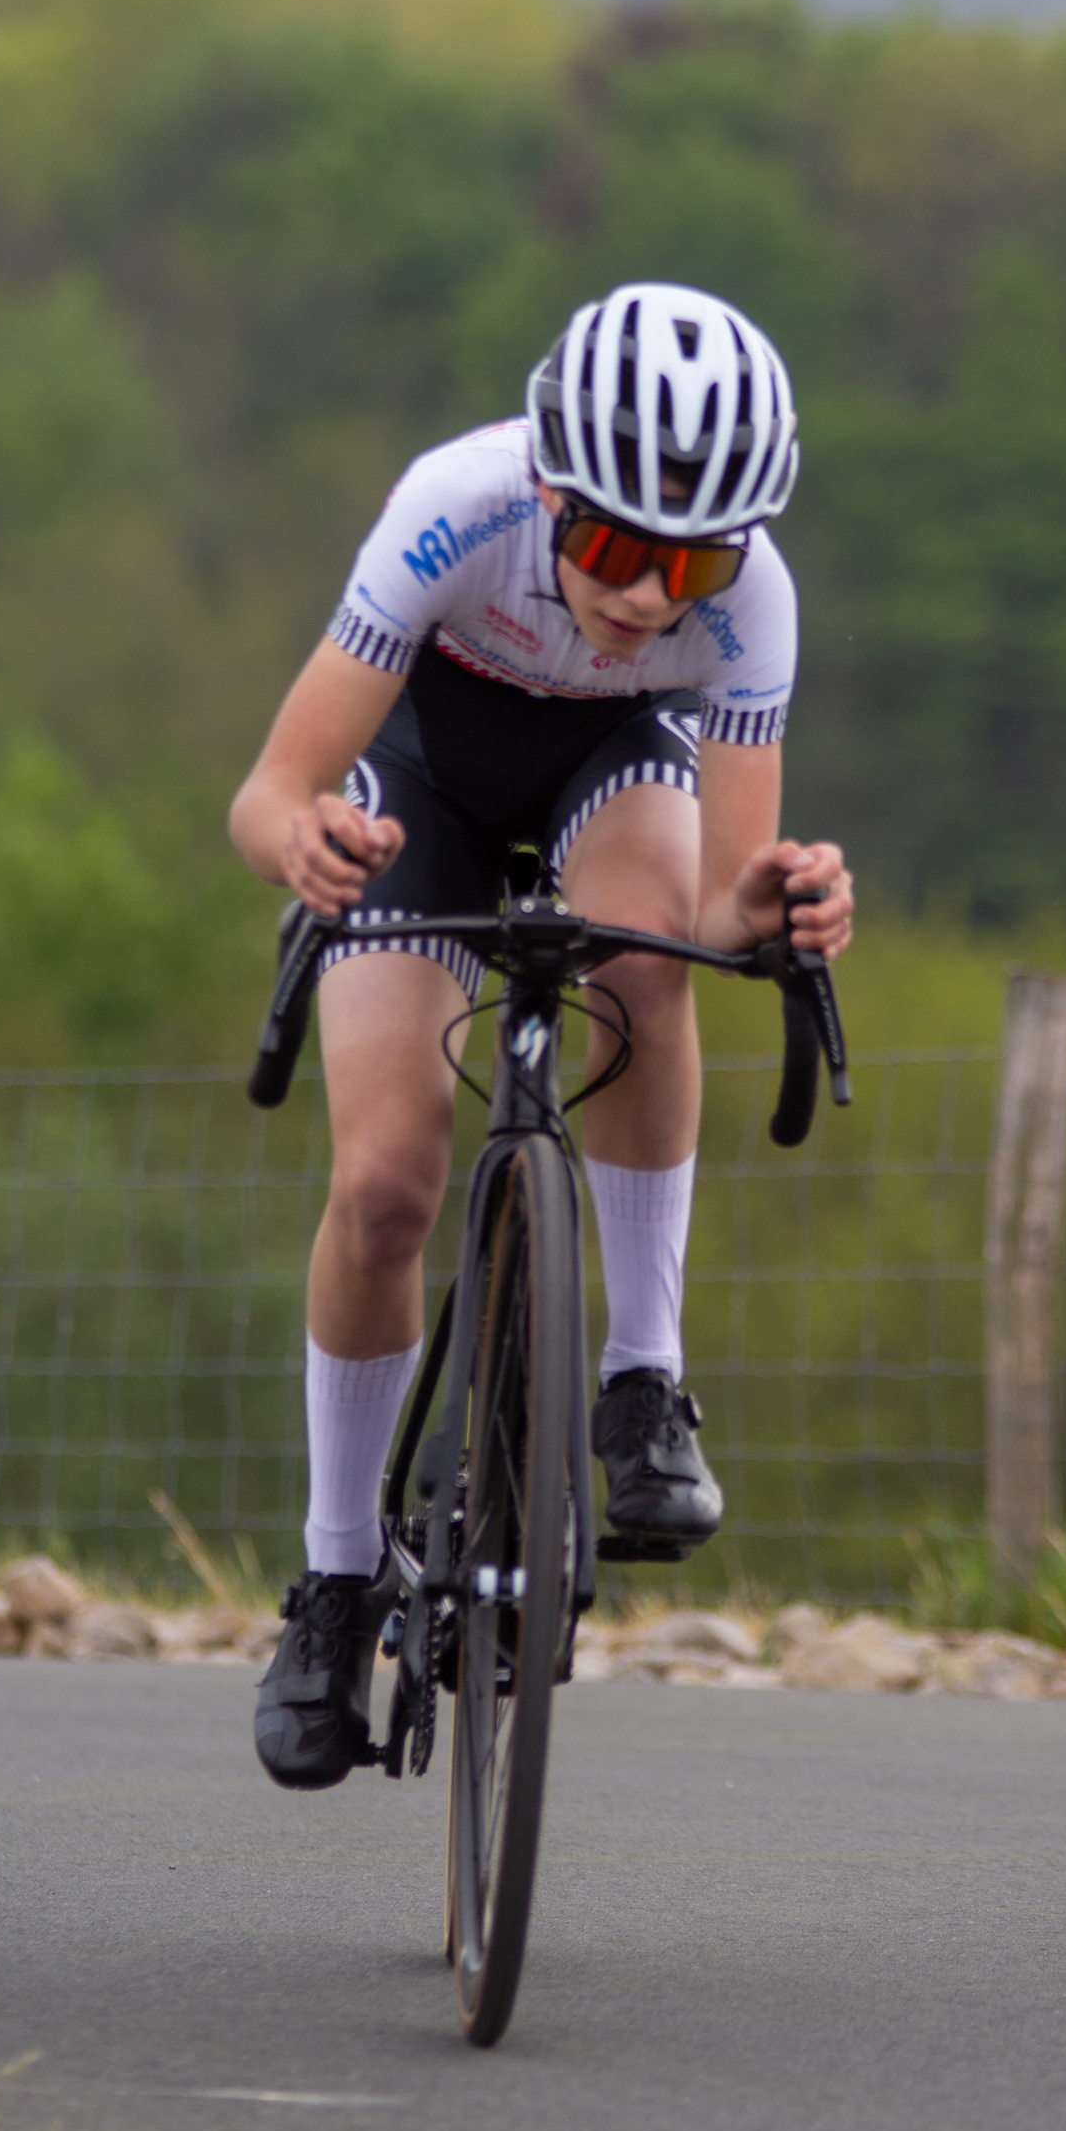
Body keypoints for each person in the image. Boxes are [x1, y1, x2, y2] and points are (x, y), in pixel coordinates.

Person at [228, 281, 853, 1789]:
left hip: (611, 770)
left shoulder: (752, 602)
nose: (648, 595)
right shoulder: (455, 506)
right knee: (384, 1183)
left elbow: (712, 910)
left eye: (690, 557)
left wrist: (782, 906)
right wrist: (300, 849)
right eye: (614, 545)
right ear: (552, 491)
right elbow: (267, 793)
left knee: (649, 975)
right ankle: (334, 1576)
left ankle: (642, 1382)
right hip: (420, 779)